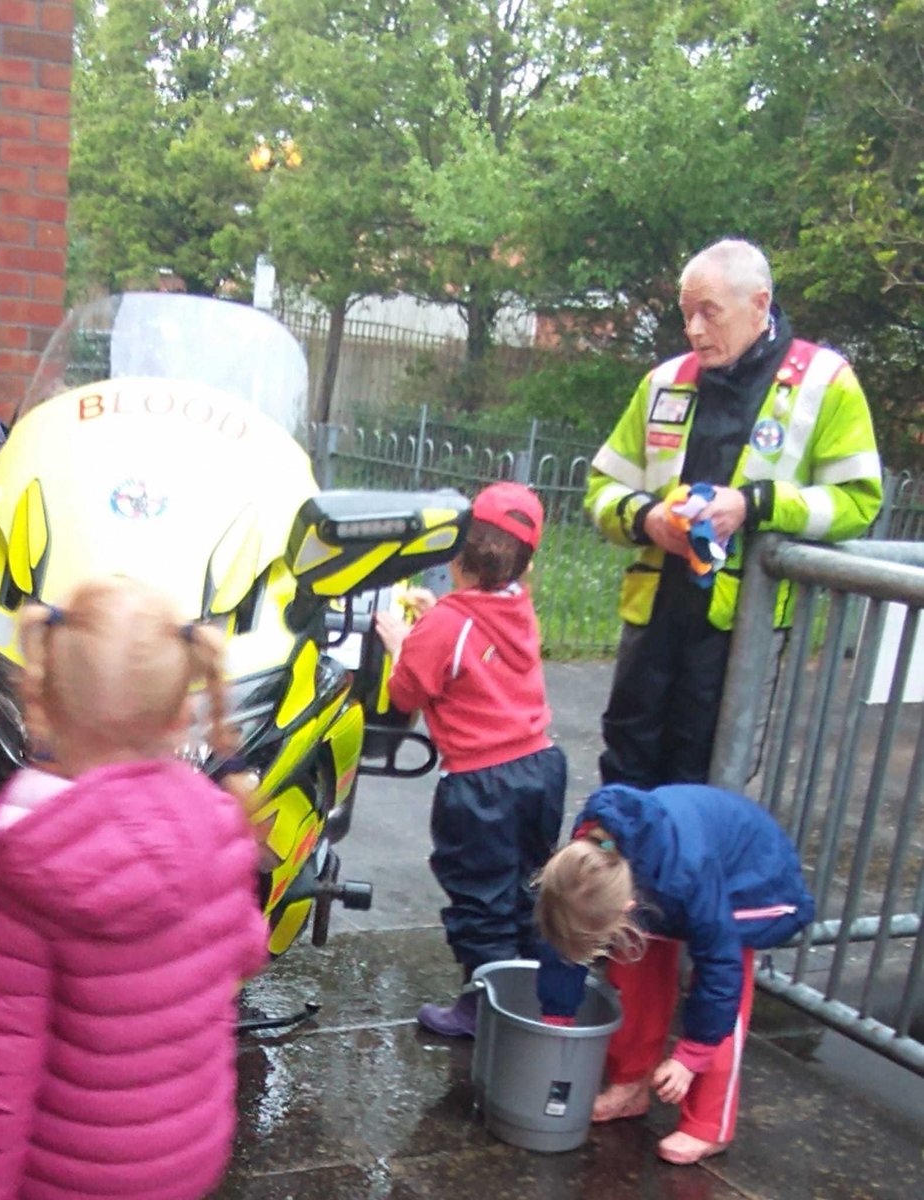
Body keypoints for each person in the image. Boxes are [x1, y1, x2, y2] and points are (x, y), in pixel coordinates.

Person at [0, 576, 269, 1199]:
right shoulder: (217, 819)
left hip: (67, 1173)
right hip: (183, 1154)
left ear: (42, 702)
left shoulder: (21, 861)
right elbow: (247, 947)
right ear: (177, 716)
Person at [586, 238, 882, 788]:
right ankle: (614, 875)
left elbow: (857, 502)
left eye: (709, 313)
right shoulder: (664, 381)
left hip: (741, 625)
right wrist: (647, 518)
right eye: (686, 315)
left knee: (708, 776)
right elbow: (603, 488)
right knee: (626, 761)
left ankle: (684, 875)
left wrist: (752, 505)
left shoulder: (826, 382)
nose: (695, 330)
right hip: (656, 615)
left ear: (760, 304)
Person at [535, 781, 815, 1166]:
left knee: (724, 992)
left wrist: (690, 1055)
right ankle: (631, 1082)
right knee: (632, 965)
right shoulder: (584, 862)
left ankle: (709, 1124)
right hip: (668, 880)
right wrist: (557, 1018)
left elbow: (722, 970)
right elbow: (563, 939)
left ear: (629, 904)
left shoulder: (687, 871)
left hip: (754, 884)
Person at [375, 481, 567, 1038]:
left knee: (479, 895)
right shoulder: (517, 607)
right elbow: (473, 639)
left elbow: (406, 692)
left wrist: (400, 643)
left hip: (482, 782)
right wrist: (439, 619)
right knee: (526, 885)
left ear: (453, 554)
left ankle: (483, 1004)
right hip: (540, 766)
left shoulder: (444, 627)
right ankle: (531, 993)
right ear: (525, 567)